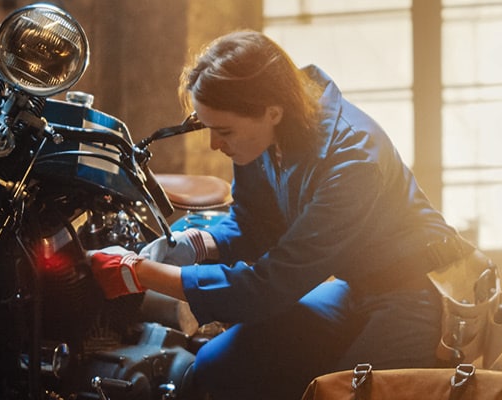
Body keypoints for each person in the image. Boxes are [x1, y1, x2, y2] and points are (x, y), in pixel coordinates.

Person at [89, 30, 480, 399]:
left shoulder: (353, 161)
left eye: (223, 131)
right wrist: (199, 244)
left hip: (417, 291)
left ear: (271, 111)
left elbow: (269, 286)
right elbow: (252, 222)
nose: (213, 144)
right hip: (353, 283)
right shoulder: (267, 135)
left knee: (341, 393)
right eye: (206, 128)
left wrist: (139, 273)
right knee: (215, 366)